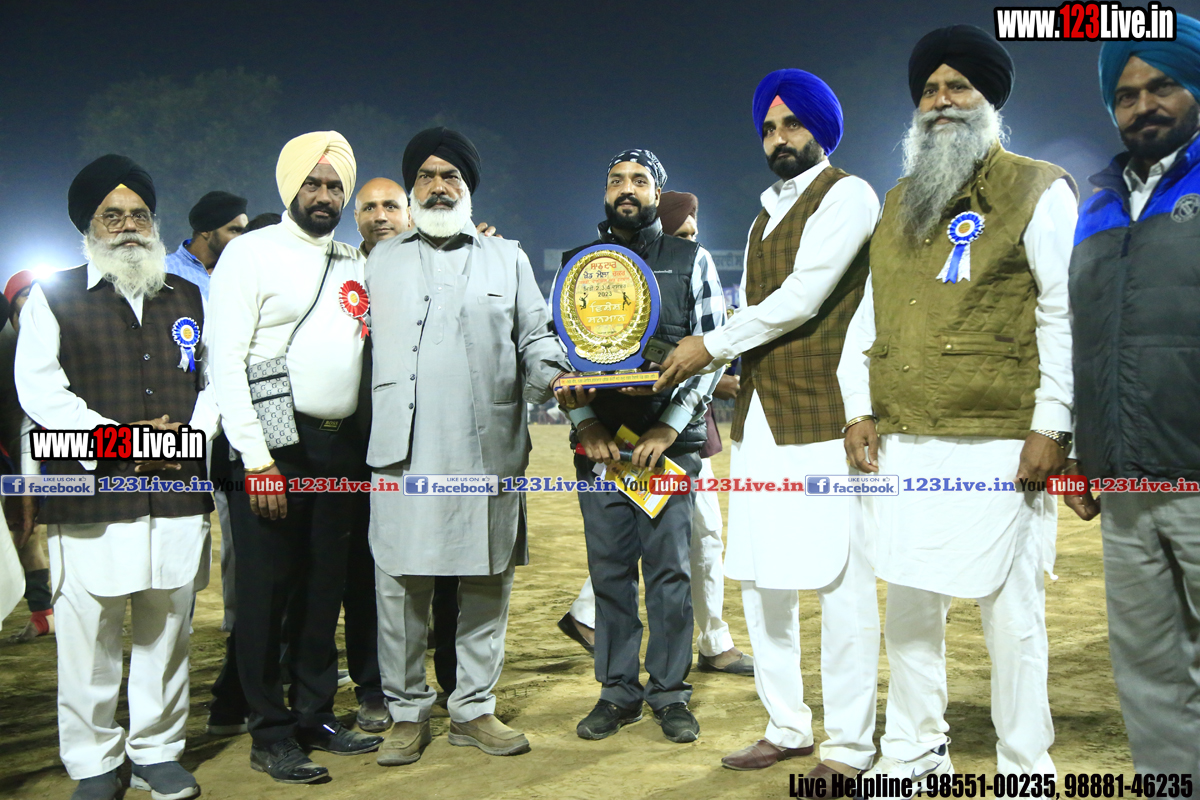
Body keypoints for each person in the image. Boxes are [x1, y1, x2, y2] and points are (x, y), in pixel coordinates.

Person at [837, 25, 1077, 778]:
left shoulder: (1038, 188)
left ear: (988, 99)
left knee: (1013, 615)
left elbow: (1063, 310)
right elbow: (870, 314)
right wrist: (857, 406)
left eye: (958, 87)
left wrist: (1053, 423)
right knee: (910, 605)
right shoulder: (900, 201)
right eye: (930, 90)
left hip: (1002, 438)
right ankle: (914, 752)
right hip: (906, 436)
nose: (941, 101)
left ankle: (1025, 765)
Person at [655, 70, 881, 784]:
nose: (779, 138)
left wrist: (711, 345)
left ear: (822, 128)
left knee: (840, 584)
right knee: (760, 580)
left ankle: (850, 745)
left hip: (825, 417)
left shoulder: (849, 194)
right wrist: (718, 358)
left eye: (792, 124)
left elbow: (805, 296)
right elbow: (762, 313)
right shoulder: (761, 218)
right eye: (769, 128)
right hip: (759, 420)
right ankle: (786, 725)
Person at [364, 127, 569, 766]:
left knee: (485, 581)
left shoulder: (507, 258)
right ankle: (406, 713)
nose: (438, 186)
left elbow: (535, 335)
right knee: (400, 586)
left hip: (486, 450)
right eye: (425, 176)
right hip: (403, 451)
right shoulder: (377, 261)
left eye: (450, 175)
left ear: (469, 188)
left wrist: (556, 378)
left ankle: (474, 708)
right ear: (412, 188)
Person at [16, 154, 218, 800]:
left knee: (168, 631)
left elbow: (215, 383)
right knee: (89, 640)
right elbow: (42, 394)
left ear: (154, 224)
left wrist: (186, 440)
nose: (129, 226)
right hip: (92, 497)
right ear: (89, 227)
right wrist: (129, 441)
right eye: (113, 216)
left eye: (139, 215)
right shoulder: (54, 297)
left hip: (177, 494)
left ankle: (158, 751)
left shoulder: (187, 295)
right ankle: (95, 762)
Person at [209, 131, 383, 784]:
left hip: (340, 448)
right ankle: (270, 732)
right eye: (312, 183)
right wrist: (257, 461)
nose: (324, 195)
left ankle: (314, 716)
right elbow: (227, 363)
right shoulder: (250, 253)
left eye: (335, 185)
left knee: (322, 588)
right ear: (290, 187)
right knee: (266, 593)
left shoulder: (354, 260)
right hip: (271, 443)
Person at [1067, 15, 1200, 782]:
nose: (1143, 105)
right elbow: (1083, 338)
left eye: (1163, 86)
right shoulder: (1097, 207)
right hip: (1123, 485)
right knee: (1149, 676)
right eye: (1125, 95)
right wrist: (1082, 449)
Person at [559, 149, 726, 745]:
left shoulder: (692, 259)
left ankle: (670, 693)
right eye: (615, 181)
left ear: (658, 192)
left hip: (664, 448)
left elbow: (713, 350)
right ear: (605, 193)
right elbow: (559, 355)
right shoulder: (578, 266)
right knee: (609, 574)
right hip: (602, 450)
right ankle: (617, 692)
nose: (626, 189)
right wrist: (586, 424)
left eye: (639, 180)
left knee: (669, 574)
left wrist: (669, 427)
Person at [1, 270, 54, 643]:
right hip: (10, 451)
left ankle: (47, 611)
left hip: (50, 449)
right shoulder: (4, 345)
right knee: (21, 529)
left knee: (35, 529)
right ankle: (42, 610)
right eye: (24, 296)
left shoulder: (55, 339)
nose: (34, 302)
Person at [165, 191, 248, 300]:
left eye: (245, 232)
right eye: (234, 230)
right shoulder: (165, 270)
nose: (242, 238)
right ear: (206, 230)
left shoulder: (243, 274)